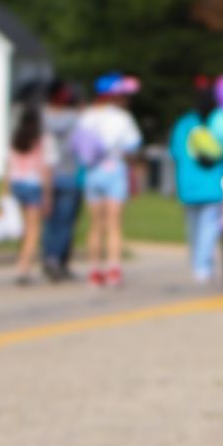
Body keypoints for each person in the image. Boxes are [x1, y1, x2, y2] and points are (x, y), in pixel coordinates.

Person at [76, 73, 144, 288]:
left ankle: (94, 270)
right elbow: (132, 146)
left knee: (96, 225)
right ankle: (114, 269)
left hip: (92, 172)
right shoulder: (123, 119)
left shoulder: (87, 116)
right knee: (114, 225)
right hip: (114, 169)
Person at [170, 83, 223, 285]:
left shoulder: (184, 123)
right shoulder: (221, 123)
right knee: (209, 228)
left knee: (193, 228)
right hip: (213, 184)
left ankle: (197, 263)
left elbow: (176, 152)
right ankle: (203, 266)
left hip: (188, 184)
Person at [40, 81, 83, 281]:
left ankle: (49, 256)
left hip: (45, 174)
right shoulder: (75, 119)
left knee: (50, 221)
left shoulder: (41, 118)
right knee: (66, 222)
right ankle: (58, 259)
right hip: (69, 173)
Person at [2, 106, 50, 286]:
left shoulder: (15, 139)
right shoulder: (39, 141)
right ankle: (24, 266)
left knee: (22, 228)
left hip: (16, 183)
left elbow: (8, 168)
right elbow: (43, 168)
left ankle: (21, 261)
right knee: (33, 229)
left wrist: (4, 193)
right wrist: (47, 193)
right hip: (32, 184)